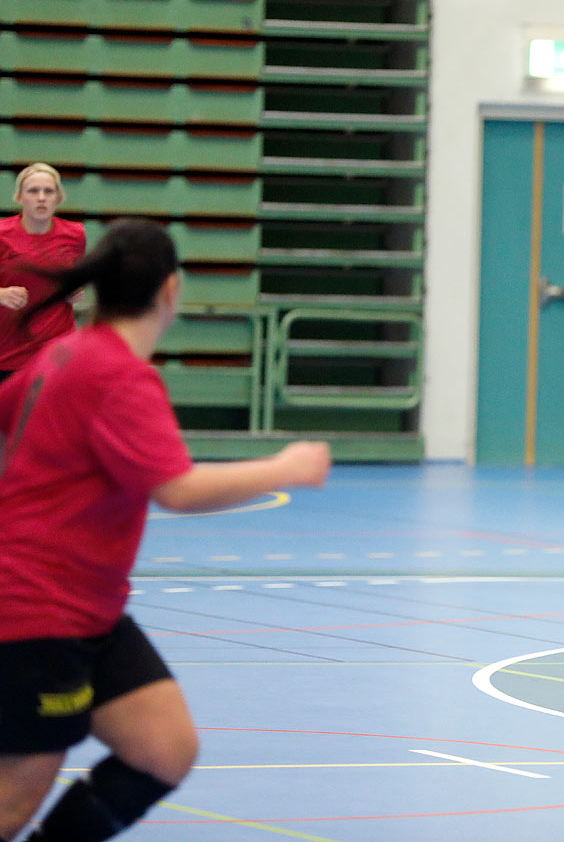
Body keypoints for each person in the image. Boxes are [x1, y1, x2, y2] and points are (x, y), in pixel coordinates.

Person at [0, 219, 332, 842]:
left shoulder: (63, 354)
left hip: (91, 610)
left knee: (164, 748)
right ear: (172, 290)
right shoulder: (118, 375)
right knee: (11, 805)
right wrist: (286, 467)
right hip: (38, 610)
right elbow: (177, 489)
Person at [0, 164, 87, 385]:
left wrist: (75, 291)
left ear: (58, 198)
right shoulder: (2, 234)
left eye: (48, 191)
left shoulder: (75, 234)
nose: (41, 198)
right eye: (33, 191)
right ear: (19, 197)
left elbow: (74, 281)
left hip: (57, 351)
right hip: (8, 352)